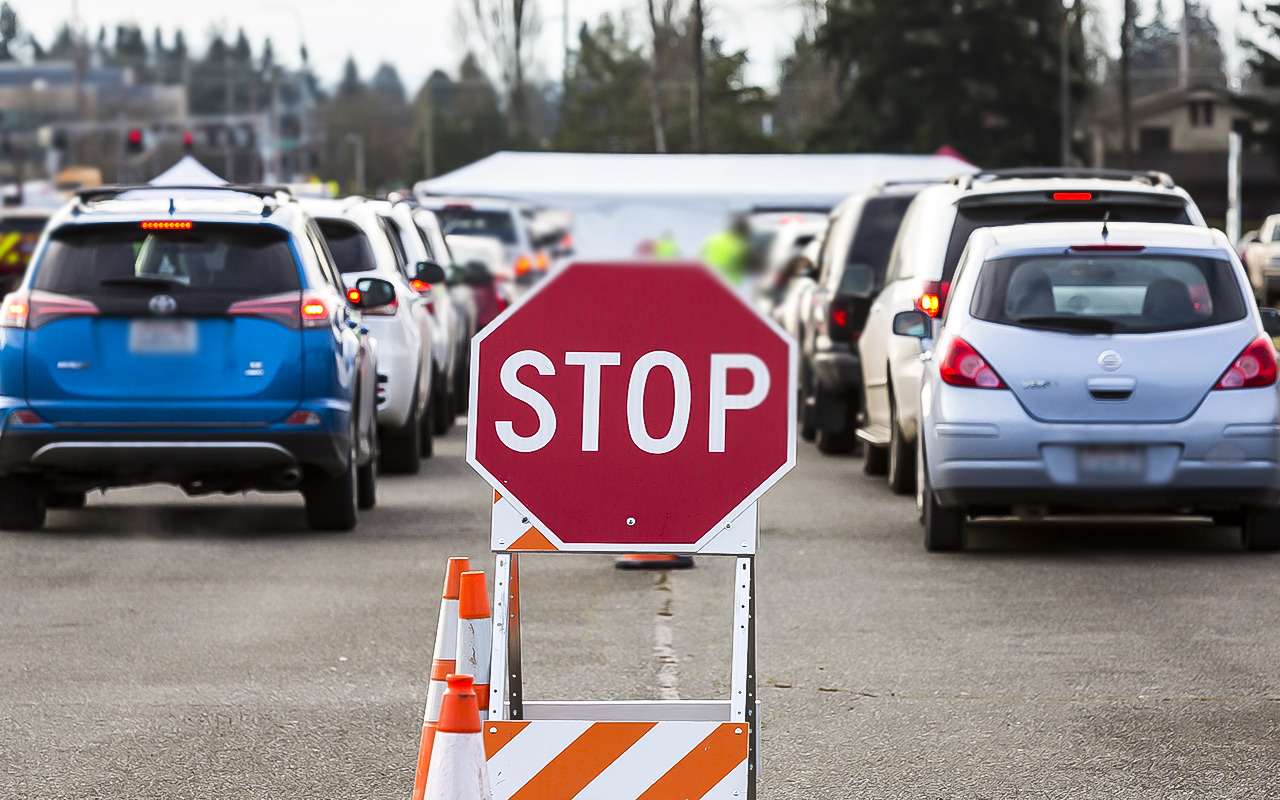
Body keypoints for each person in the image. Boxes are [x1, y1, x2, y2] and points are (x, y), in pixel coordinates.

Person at [701, 214, 751, 286]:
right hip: (728, 287)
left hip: (707, 282)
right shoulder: (741, 247)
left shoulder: (713, 239)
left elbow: (700, 259)